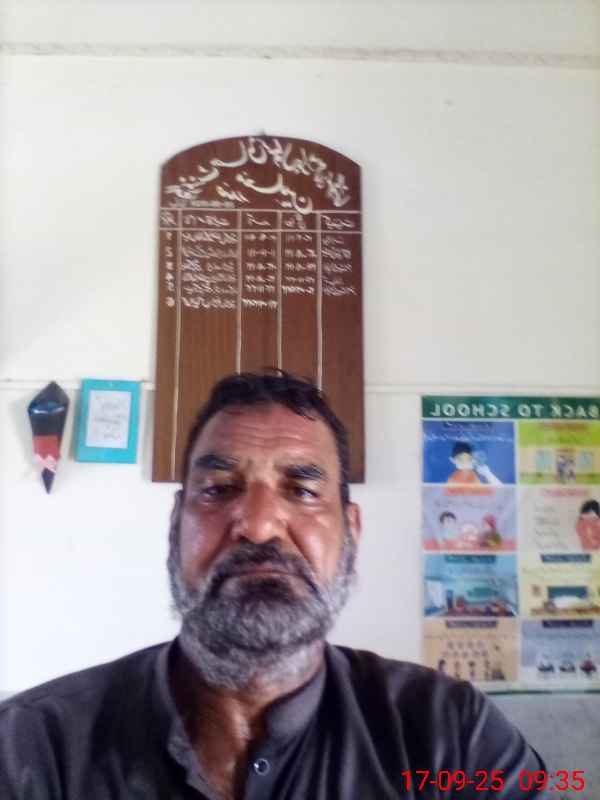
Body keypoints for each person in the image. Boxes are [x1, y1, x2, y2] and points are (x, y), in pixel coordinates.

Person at [0, 372, 549, 799]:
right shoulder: (32, 749)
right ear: (175, 527)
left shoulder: (452, 738)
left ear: (351, 532)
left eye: (303, 491)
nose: (260, 525)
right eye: (218, 488)